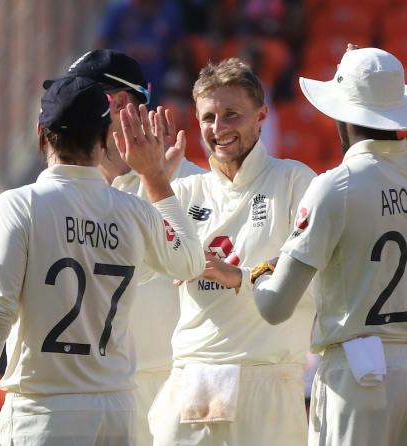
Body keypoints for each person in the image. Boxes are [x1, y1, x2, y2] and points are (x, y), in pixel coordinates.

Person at [211, 47, 407, 445]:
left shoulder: (335, 185)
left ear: (344, 115)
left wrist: (258, 272)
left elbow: (275, 307)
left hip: (360, 371)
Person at [0, 76, 204, 445]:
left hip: (44, 412)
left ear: (41, 132)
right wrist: (156, 178)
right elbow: (191, 263)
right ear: (104, 137)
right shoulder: (133, 210)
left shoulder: (20, 204)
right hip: (116, 412)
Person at [147, 57, 317, 445]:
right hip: (193, 378)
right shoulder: (184, 192)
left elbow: (316, 284)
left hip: (270, 379)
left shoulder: (294, 181)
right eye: (208, 117)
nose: (218, 129)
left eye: (232, 114)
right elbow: (141, 267)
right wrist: (151, 180)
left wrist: (240, 276)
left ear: (261, 116)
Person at [46, 48, 206, 446]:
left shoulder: (193, 183)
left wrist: (155, 183)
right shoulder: (67, 189)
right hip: (96, 390)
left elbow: (190, 268)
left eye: (82, 98)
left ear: (116, 104)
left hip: (173, 386)